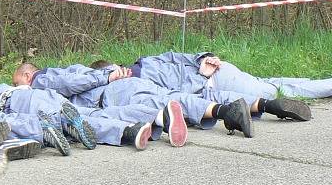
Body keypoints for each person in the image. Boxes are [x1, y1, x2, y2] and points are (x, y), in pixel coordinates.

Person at [13, 62, 253, 137]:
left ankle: (166, 122)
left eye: (16, 84)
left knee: (156, 106)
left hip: (110, 95)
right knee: (172, 98)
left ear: (26, 75)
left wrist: (106, 77)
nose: (17, 89)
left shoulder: (40, 79)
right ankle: (226, 111)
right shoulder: (74, 66)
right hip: (129, 84)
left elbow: (69, 85)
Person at [0, 83, 187, 151]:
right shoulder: (3, 85)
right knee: (95, 115)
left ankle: (127, 131)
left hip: (17, 101)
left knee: (67, 122)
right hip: (42, 95)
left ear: (26, 75)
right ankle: (160, 116)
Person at [129, 51, 319, 119]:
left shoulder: (143, 67)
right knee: (268, 83)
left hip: (218, 78)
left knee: (273, 91)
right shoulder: (145, 65)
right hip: (215, 78)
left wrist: (204, 58)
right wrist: (203, 67)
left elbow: (180, 93)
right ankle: (316, 84)